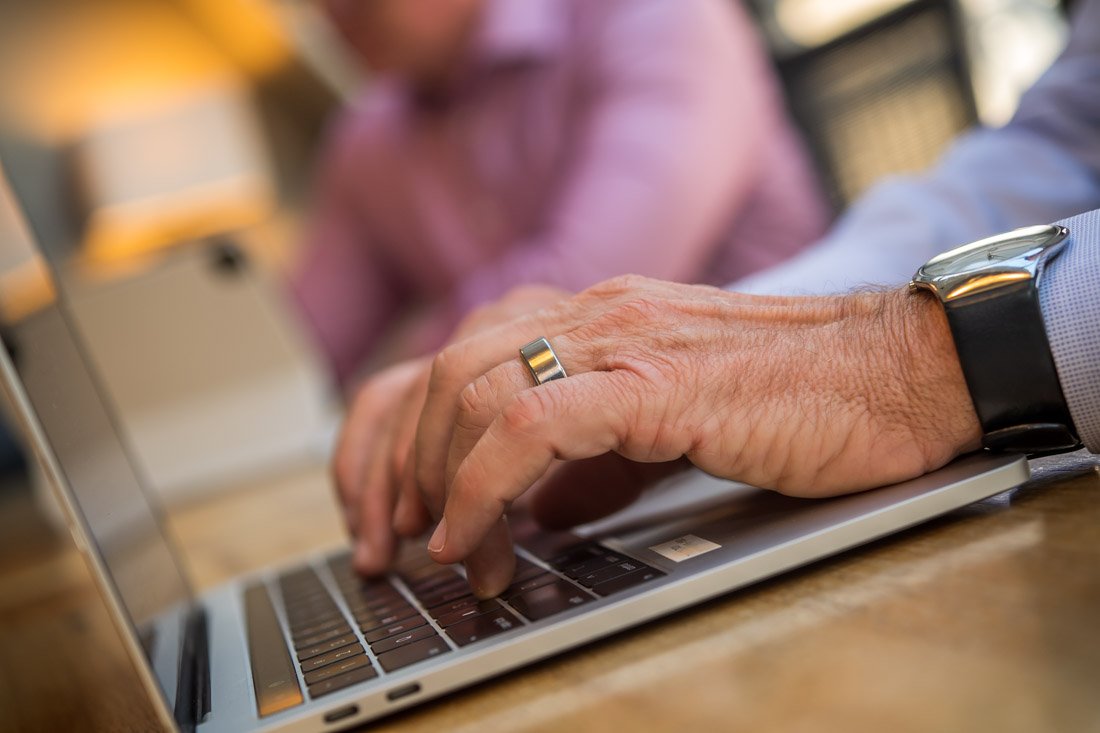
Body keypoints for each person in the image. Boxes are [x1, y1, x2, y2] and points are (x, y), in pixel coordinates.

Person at [333, 0, 1100, 599]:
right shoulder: (364, 136)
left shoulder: (652, 17)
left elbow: (587, 263)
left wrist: (921, 359)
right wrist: (764, 347)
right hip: (683, 482)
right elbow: (1055, 150)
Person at [292, 0, 827, 384]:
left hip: (784, 418)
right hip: (578, 467)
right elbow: (297, 351)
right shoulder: (367, 139)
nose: (332, 11)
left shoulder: (656, 15)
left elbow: (585, 293)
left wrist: (406, 378)